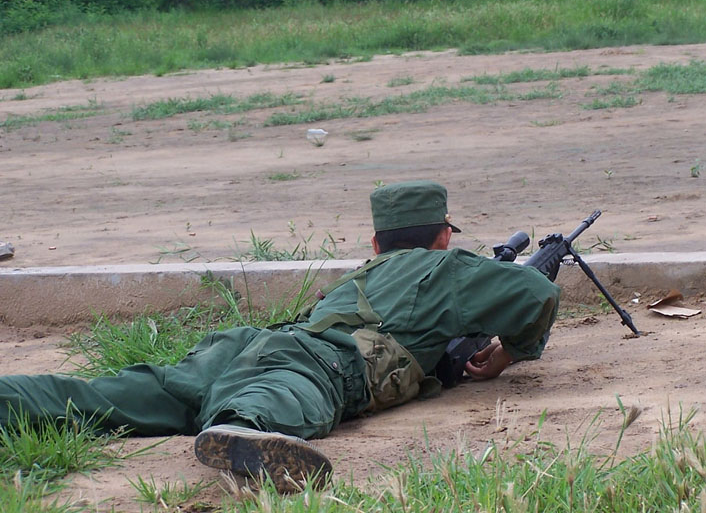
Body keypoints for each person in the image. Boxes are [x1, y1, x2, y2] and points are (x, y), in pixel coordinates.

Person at [0, 181, 560, 493]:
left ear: (374, 244)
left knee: (108, 396)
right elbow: (537, 294)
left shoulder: (362, 276)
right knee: (280, 398)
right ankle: (242, 432)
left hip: (241, 348)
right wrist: (508, 354)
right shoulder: (448, 267)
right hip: (314, 362)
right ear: (443, 237)